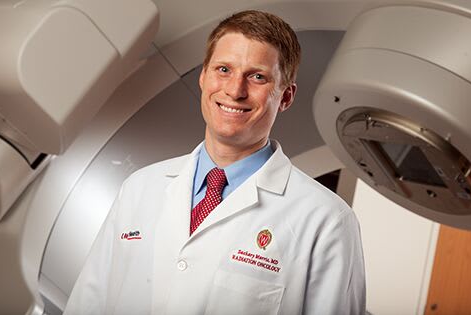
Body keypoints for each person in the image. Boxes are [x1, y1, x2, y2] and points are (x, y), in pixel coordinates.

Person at [64, 10, 365, 315]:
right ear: (203, 77)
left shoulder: (327, 221)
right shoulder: (139, 187)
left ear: (285, 96)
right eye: (223, 69)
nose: (235, 90)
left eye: (257, 76)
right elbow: (87, 304)